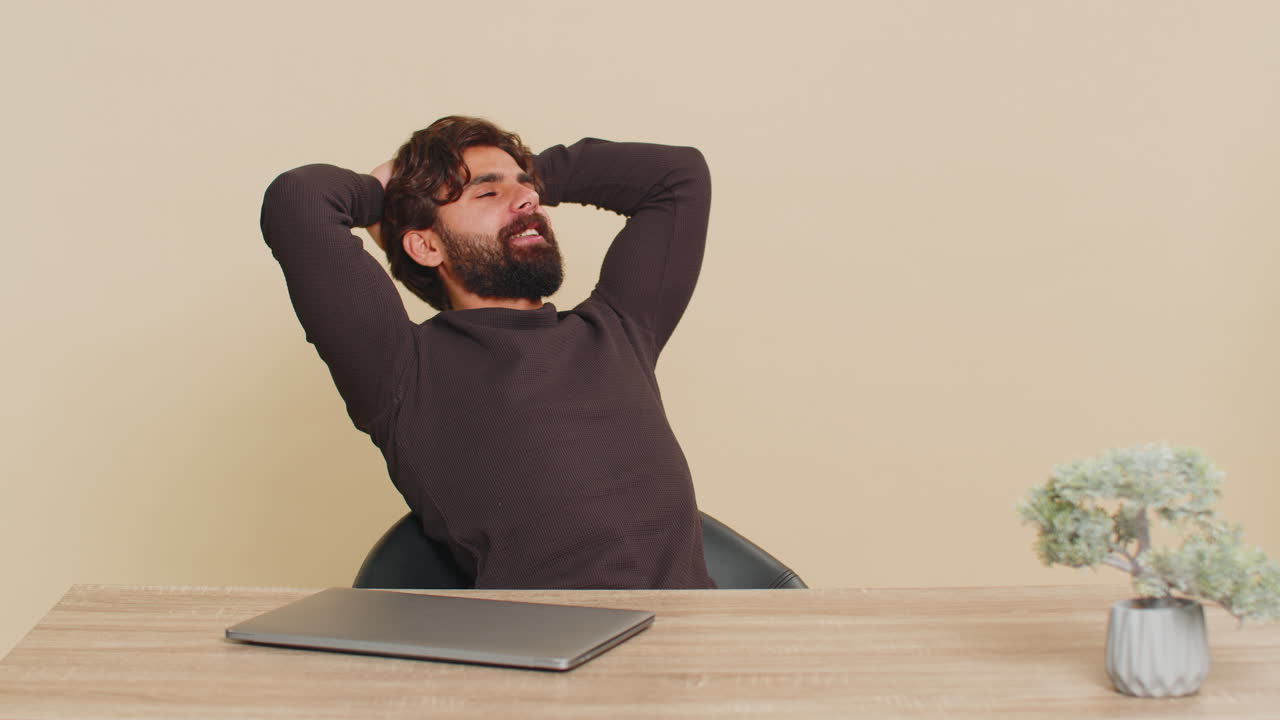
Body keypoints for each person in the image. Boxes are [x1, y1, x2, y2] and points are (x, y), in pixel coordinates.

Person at [260, 116, 715, 589]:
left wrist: (530, 174)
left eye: (527, 187)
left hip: (698, 627)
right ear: (425, 245)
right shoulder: (402, 370)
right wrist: (388, 193)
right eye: (487, 193)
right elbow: (299, 199)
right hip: (552, 632)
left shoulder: (618, 327)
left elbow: (677, 175)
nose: (528, 199)